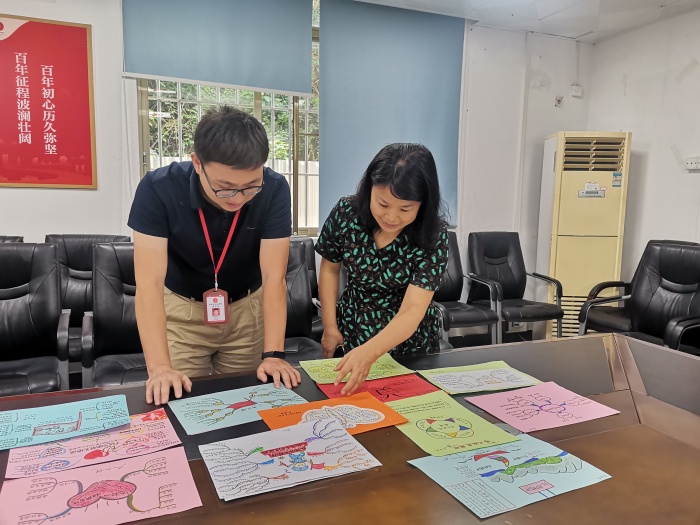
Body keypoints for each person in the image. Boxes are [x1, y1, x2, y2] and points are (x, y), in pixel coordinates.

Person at [128, 106, 301, 406]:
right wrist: (159, 368)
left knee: (246, 404)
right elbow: (149, 284)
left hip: (247, 312)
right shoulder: (158, 189)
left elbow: (274, 277)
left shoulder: (274, 189)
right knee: (180, 402)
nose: (238, 198)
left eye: (250, 187)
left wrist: (274, 354)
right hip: (182, 315)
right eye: (225, 188)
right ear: (197, 162)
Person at [315, 143, 449, 396]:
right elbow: (330, 269)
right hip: (354, 326)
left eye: (405, 209)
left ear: (423, 204)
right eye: (383, 204)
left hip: (409, 341)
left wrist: (369, 352)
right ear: (369, 190)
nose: (391, 217)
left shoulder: (434, 234)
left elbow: (412, 310)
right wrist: (330, 326)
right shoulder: (346, 212)